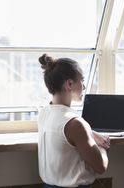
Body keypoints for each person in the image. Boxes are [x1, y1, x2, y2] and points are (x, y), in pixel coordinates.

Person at [38, 54, 110, 188]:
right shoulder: (75, 123)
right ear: (69, 84)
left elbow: (63, 131)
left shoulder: (44, 113)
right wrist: (102, 146)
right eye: (82, 81)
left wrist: (91, 133)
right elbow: (101, 167)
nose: (84, 86)